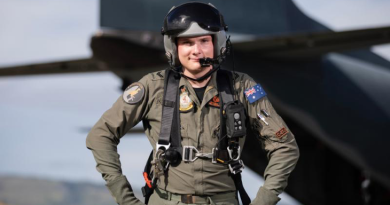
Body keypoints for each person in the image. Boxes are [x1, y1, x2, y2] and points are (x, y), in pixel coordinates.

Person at [86, 2, 299, 205]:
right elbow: (100, 135)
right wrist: (124, 197)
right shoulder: (152, 87)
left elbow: (285, 146)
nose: (196, 50)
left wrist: (265, 199)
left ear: (218, 44)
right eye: (187, 42)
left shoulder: (243, 87)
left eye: (204, 41)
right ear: (174, 47)